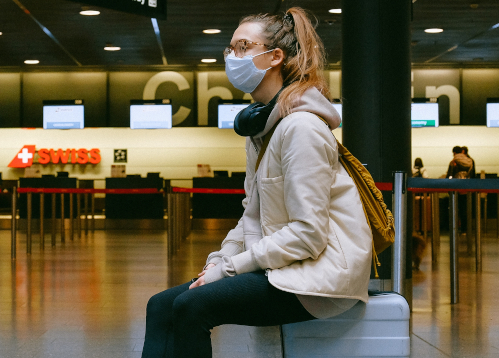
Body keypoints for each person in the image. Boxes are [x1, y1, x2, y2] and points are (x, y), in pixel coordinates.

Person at [142, 7, 372, 358]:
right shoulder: (263, 131)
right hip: (284, 268)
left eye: (243, 47)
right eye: (230, 49)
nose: (233, 57)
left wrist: (230, 269)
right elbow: (252, 214)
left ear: (275, 56)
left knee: (191, 308)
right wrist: (219, 261)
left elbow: (309, 234)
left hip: (318, 280)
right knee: (161, 306)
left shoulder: (301, 128)